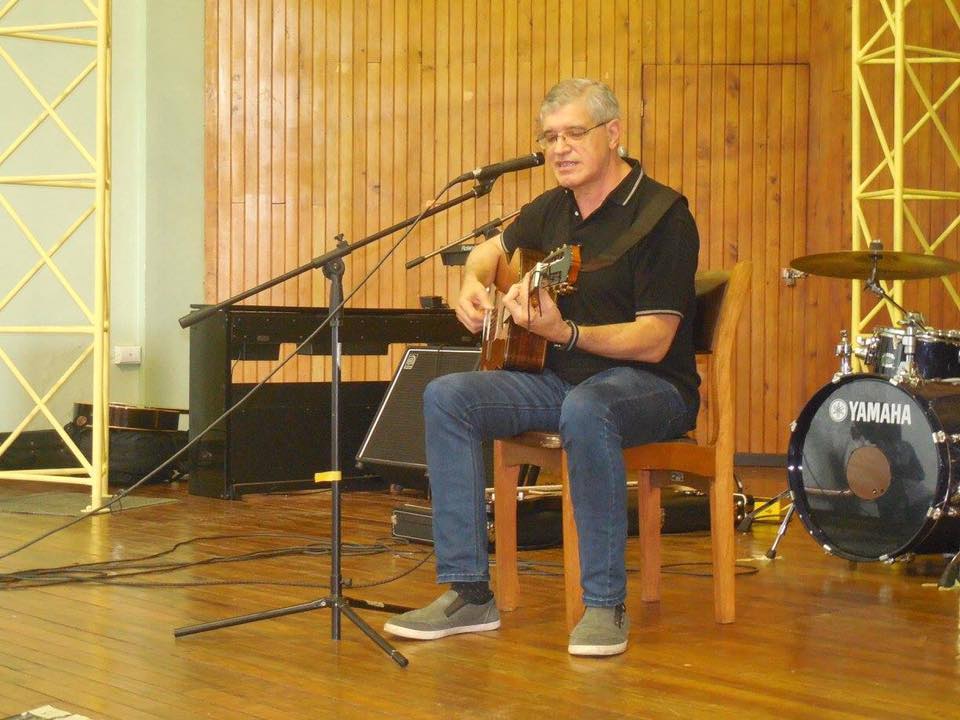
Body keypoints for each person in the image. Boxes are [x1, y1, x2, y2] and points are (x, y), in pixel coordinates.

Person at [384, 78, 701, 656]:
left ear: (614, 134)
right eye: (550, 137)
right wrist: (472, 283)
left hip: (651, 387)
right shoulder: (551, 208)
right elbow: (490, 253)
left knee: (589, 407)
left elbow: (656, 341)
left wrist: (567, 332)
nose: (560, 148)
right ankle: (467, 593)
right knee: (447, 396)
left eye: (574, 133)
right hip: (559, 380)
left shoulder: (662, 217)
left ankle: (605, 604)